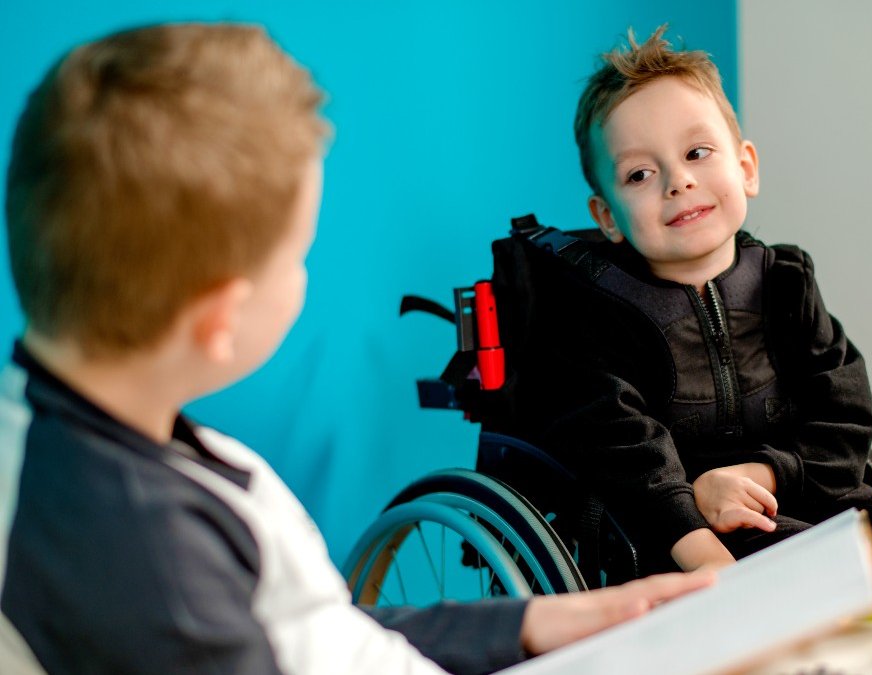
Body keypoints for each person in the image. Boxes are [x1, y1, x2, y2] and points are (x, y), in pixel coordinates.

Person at [0, 23, 713, 675]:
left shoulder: (88, 444)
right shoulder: (147, 556)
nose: (304, 274)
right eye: (297, 257)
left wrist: (530, 621)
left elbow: (310, 636)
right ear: (221, 318)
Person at [517, 25, 872, 575]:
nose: (677, 181)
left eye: (697, 152)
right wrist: (696, 539)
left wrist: (764, 476)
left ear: (746, 168)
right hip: (674, 527)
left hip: (795, 483)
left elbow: (844, 411)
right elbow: (622, 448)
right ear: (608, 216)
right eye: (640, 173)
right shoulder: (604, 314)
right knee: (822, 570)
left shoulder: (785, 281)